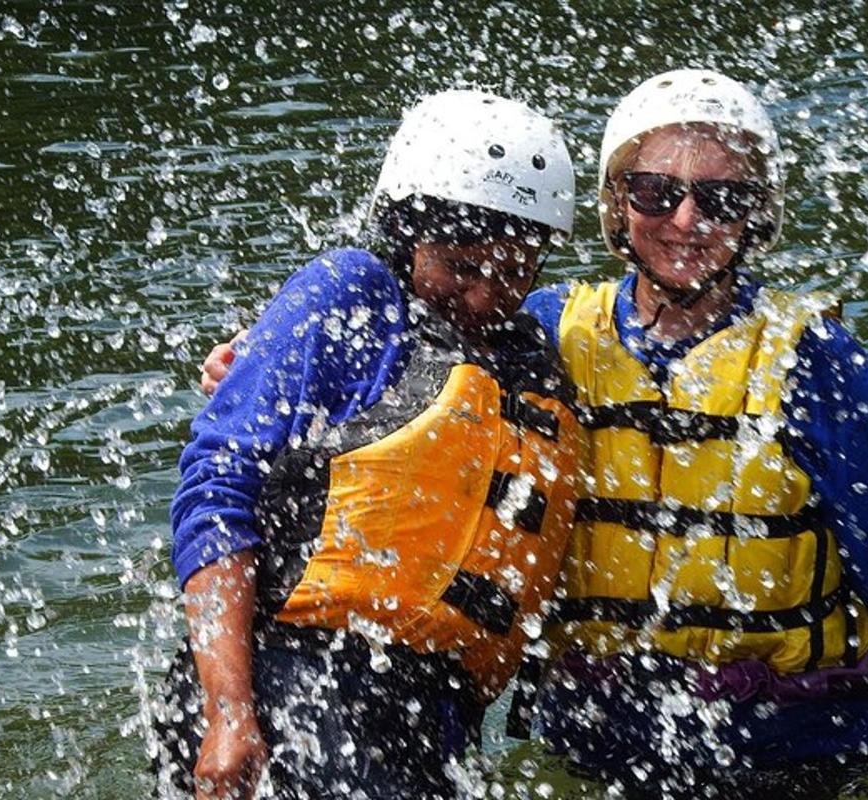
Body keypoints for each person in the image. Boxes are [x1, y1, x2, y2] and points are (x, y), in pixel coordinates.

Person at [199, 71, 868, 798]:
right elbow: (395, 341)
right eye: (656, 191)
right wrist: (251, 352)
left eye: (721, 200)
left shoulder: (810, 362)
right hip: (593, 736)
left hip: (793, 744)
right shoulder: (546, 330)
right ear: (614, 206)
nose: (685, 221)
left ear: (758, 213)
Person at [154, 89, 583, 800]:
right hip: (287, 694)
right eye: (459, 265)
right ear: (405, 233)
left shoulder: (533, 350)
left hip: (427, 723)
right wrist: (230, 713)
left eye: (512, 270)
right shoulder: (349, 298)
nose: (483, 295)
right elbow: (215, 491)